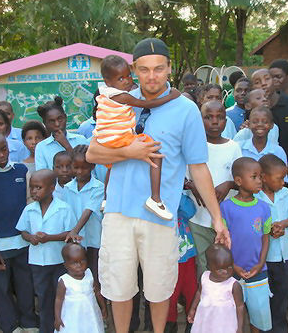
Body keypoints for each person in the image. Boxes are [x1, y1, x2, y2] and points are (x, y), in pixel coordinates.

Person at [85, 38, 230, 333]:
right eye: (145, 69)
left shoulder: (187, 109)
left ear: (169, 69)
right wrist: (129, 152)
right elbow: (92, 153)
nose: (152, 76)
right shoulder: (117, 99)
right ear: (134, 70)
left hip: (161, 217)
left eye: (159, 69)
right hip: (118, 213)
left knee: (159, 289)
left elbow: (198, 167)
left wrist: (217, 219)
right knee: (119, 288)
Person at [95, 54, 182, 220]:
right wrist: (171, 96)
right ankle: (155, 199)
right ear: (108, 82)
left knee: (111, 167)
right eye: (121, 78)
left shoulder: (104, 94)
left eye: (128, 75)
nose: (127, 81)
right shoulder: (121, 96)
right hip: (118, 138)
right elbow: (147, 104)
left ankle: (107, 198)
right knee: (155, 151)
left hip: (105, 139)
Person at [0, 130, 38, 332]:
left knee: (25, 285)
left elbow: (30, 204)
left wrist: (29, 234)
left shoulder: (21, 170)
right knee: (1, 290)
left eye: (4, 149)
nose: (1, 155)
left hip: (22, 243)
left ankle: (29, 322)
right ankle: (10, 326)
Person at [187, 100, 241, 278]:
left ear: (227, 121)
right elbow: (183, 176)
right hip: (198, 217)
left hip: (226, 219)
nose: (215, 122)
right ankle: (205, 302)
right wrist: (192, 185)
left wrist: (229, 184)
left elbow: (241, 179)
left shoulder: (233, 147)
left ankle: (226, 302)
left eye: (220, 117)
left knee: (225, 262)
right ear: (199, 120)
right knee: (203, 264)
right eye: (208, 117)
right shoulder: (192, 145)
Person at [16, 169, 75, 333]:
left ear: (51, 188)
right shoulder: (29, 209)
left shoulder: (64, 208)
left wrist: (50, 238)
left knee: (61, 297)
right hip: (38, 262)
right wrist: (30, 238)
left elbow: (70, 233)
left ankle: (64, 328)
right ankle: (46, 329)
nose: (34, 191)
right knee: (43, 298)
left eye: (38, 187)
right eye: (31, 187)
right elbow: (23, 231)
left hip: (58, 261)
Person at [220, 157, 272, 332]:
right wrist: (233, 266)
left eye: (260, 177)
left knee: (259, 314)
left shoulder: (264, 208)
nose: (260, 181)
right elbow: (222, 241)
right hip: (232, 272)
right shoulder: (226, 208)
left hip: (258, 271)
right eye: (255, 177)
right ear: (239, 181)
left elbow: (266, 238)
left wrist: (260, 264)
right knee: (233, 313)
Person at [256, 154, 288, 333]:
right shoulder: (255, 196)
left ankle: (280, 328)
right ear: (264, 177)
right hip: (262, 257)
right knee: (263, 296)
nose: (284, 182)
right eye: (280, 178)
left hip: (283, 256)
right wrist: (267, 230)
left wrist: (282, 224)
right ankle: (262, 327)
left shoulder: (286, 194)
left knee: (281, 295)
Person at [64, 145, 104, 278]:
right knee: (78, 277)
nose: (80, 171)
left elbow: (88, 211)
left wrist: (75, 231)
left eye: (84, 167)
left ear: (92, 167)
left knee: (95, 277)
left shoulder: (98, 187)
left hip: (94, 241)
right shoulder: (68, 188)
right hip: (75, 242)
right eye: (76, 167)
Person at [187, 244, 244, 333]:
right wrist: (193, 308)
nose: (226, 272)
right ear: (209, 267)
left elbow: (240, 306)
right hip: (205, 320)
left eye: (229, 267)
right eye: (220, 269)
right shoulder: (204, 277)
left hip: (224, 324)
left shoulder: (234, 285)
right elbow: (199, 292)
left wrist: (240, 327)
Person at [251, 68, 288, 164]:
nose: (263, 84)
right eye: (257, 82)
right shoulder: (252, 110)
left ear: (274, 81)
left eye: (267, 79)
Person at [54, 243, 107, 333]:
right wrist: (57, 318)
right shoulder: (64, 281)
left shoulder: (89, 274)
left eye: (82, 261)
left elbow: (97, 292)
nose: (79, 265)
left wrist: (103, 307)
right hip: (72, 317)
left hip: (90, 313)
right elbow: (59, 300)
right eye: (74, 263)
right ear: (65, 265)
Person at [165, 193, 198, 333]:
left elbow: (191, 211)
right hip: (166, 260)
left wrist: (177, 192)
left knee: (191, 292)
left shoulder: (179, 198)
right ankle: (169, 325)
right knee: (170, 297)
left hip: (187, 257)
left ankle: (193, 325)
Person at [35, 96, 87, 170]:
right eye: (52, 121)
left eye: (60, 119)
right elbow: (42, 175)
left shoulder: (81, 140)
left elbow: (86, 168)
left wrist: (67, 145)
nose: (57, 124)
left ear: (65, 118)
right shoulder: (41, 147)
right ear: (45, 123)